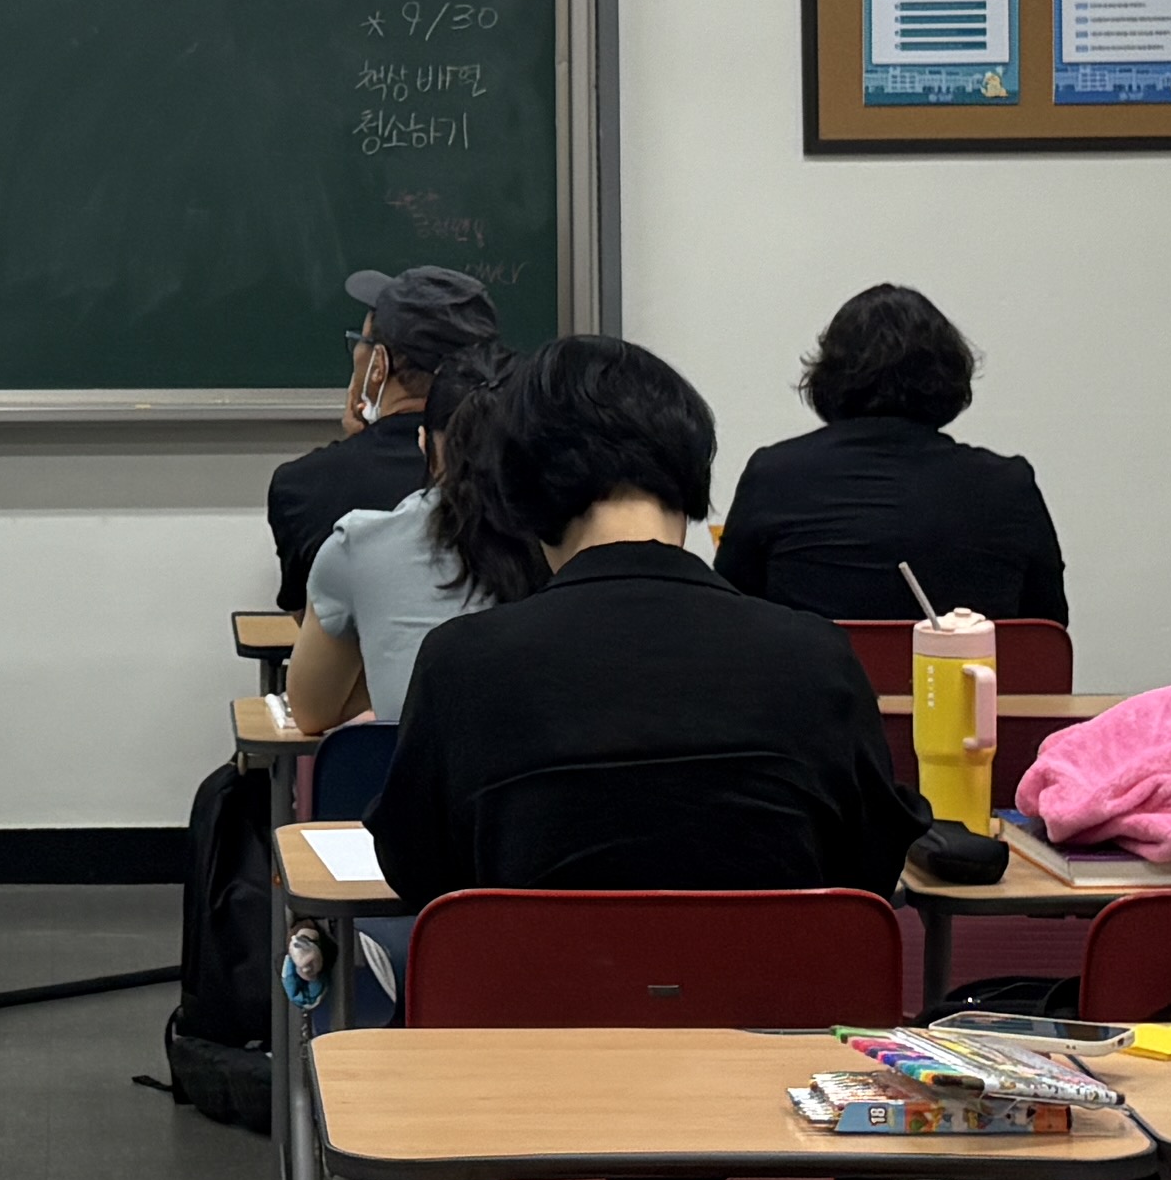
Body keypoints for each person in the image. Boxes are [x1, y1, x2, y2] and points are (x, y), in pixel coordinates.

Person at [366, 332, 933, 911]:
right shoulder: (816, 659)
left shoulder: (461, 666)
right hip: (764, 975)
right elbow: (867, 875)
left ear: (522, 498)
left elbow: (420, 874)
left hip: (543, 975)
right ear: (690, 476)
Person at [714, 283, 1069, 626]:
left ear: (827, 376)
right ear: (950, 376)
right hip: (969, 670)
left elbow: (729, 617)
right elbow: (1044, 631)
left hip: (811, 669)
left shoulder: (773, 476)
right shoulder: (1009, 486)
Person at [280, 351, 533, 741]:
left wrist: (389, 679)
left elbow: (312, 713)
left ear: (423, 443)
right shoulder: (576, 549)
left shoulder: (358, 546)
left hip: (415, 778)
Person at [268, 262, 494, 614]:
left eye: (362, 343)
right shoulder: (515, 476)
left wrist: (359, 448)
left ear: (379, 366)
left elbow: (316, 623)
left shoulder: (302, 487)